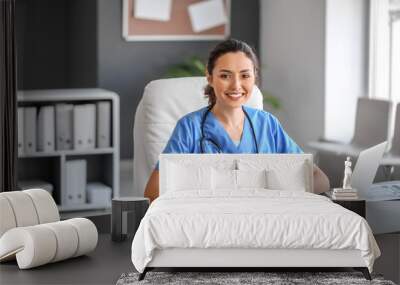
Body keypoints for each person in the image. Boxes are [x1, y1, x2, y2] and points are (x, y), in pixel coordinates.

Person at [144, 39, 329, 202]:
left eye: (245, 75)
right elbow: (152, 193)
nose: (236, 85)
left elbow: (319, 179)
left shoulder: (267, 125)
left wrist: (276, 192)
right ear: (210, 77)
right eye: (225, 76)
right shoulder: (189, 127)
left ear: (254, 77)